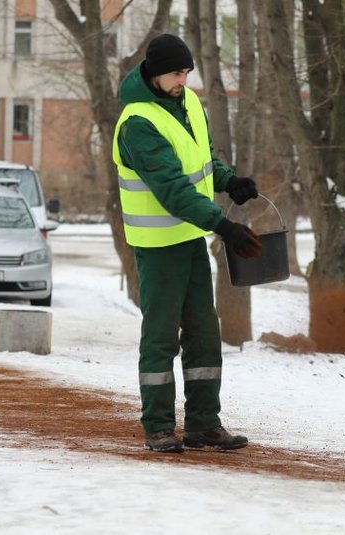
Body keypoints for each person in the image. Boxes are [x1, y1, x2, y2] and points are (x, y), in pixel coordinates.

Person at [112, 33, 262, 453]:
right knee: (161, 335)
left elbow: (201, 159)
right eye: (177, 73)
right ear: (155, 73)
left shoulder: (188, 103)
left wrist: (228, 180)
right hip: (159, 246)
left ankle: (203, 424)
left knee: (203, 333)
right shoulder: (137, 123)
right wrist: (224, 226)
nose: (183, 80)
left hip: (190, 238)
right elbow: (173, 188)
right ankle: (158, 426)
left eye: (186, 73)